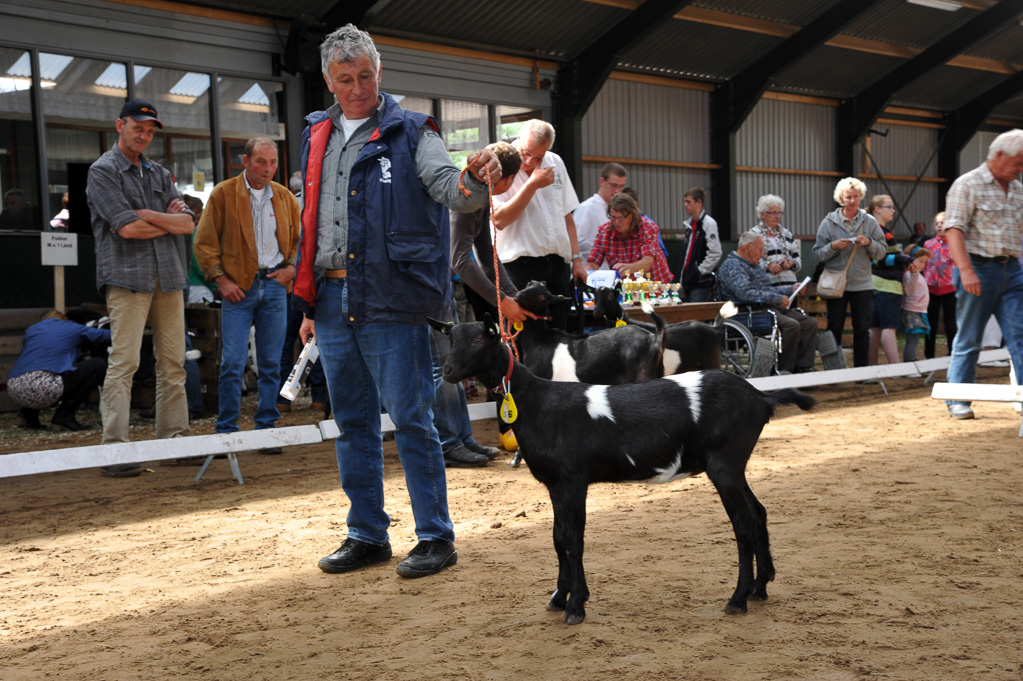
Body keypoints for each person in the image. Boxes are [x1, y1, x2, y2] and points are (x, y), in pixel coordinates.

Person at [291, 24, 501, 578]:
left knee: (412, 419)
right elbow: (313, 225)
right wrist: (310, 306)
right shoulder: (316, 136)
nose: (357, 87)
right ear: (329, 82)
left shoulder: (414, 131)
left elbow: (448, 185)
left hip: (393, 298)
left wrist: (476, 178)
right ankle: (367, 534)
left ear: (379, 73)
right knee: (353, 422)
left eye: (365, 76)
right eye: (345, 79)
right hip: (333, 298)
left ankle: (435, 536)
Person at [87, 98, 194, 477]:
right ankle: (114, 450)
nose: (145, 135)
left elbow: (188, 225)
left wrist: (148, 215)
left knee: (173, 363)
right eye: (139, 128)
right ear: (120, 126)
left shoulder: (160, 173)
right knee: (126, 362)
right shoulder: (103, 171)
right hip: (127, 277)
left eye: (150, 130)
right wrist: (163, 219)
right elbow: (127, 228)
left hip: (169, 276)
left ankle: (176, 442)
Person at [193, 136, 300, 451]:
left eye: (272, 163)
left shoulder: (284, 198)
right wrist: (221, 281)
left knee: (270, 362)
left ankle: (266, 429)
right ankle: (226, 430)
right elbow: (205, 242)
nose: (267, 169)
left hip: (275, 283)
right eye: (260, 162)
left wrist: (291, 268)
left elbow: (299, 241)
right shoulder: (224, 194)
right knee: (233, 361)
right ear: (245, 161)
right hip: (238, 286)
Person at [942, 129, 1023, 420]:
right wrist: (966, 271)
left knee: (1020, 335)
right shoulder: (968, 184)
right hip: (978, 267)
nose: (1021, 168)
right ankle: (958, 398)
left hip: (1012, 269)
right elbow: (953, 228)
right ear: (999, 155)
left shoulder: (1017, 189)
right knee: (970, 337)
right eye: (1018, 161)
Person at [491, 119, 584, 331]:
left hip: (557, 264)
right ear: (518, 139)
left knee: (561, 334)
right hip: (520, 266)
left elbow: (567, 214)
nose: (529, 161)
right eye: (525, 152)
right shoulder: (501, 163)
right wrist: (532, 184)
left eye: (538, 156)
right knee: (525, 337)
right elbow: (499, 220)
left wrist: (577, 259)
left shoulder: (555, 162)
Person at [719, 232, 818, 374]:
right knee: (791, 325)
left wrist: (791, 289)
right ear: (747, 248)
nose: (762, 255)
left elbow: (768, 289)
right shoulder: (733, 266)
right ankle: (785, 369)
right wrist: (778, 299)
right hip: (748, 311)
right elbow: (746, 294)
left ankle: (802, 366)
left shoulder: (753, 266)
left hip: (766, 308)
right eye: (760, 250)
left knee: (809, 323)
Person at [813, 178, 887, 368]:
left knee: (862, 329)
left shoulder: (869, 221)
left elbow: (882, 251)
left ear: (860, 197)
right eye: (848, 197)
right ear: (841, 198)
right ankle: (834, 370)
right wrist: (833, 246)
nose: (852, 201)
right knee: (834, 327)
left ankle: (861, 371)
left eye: (855, 197)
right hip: (836, 284)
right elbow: (817, 253)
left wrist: (869, 243)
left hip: (862, 283)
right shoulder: (829, 222)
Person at [8, 310, 110, 431]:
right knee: (98, 365)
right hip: (43, 389)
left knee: (39, 373)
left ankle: (26, 415)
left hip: (14, 389)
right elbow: (106, 335)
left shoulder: (32, 330)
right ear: (64, 318)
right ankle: (64, 416)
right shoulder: (72, 327)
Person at [867, 194, 912, 366]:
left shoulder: (873, 230)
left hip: (874, 284)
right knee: (888, 328)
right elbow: (879, 259)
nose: (893, 210)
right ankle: (896, 368)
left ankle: (871, 368)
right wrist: (905, 260)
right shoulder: (881, 232)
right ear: (877, 209)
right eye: (889, 207)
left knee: (874, 328)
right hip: (887, 286)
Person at [585, 193, 672, 282]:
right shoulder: (604, 232)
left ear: (633, 215)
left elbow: (647, 262)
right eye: (613, 217)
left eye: (621, 218)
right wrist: (587, 275)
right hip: (625, 287)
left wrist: (628, 267)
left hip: (655, 284)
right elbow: (593, 262)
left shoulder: (647, 227)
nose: (617, 222)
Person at [573, 162, 626, 265]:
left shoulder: (616, 210)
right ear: (602, 181)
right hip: (590, 274)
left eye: (621, 186)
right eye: (613, 185)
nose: (617, 191)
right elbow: (576, 242)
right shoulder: (587, 208)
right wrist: (607, 247)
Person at [750, 194, 801, 295]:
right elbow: (749, 263)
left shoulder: (787, 234)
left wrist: (791, 263)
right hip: (766, 289)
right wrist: (768, 265)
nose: (777, 216)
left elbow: (798, 261)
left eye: (779, 213)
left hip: (789, 288)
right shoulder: (753, 234)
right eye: (773, 213)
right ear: (763, 214)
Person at [677, 186, 721, 302]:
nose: (685, 205)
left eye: (688, 202)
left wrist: (699, 271)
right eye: (685, 202)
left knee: (696, 316)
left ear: (699, 202)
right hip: (687, 281)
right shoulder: (689, 225)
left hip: (700, 283)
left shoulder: (708, 224)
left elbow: (715, 252)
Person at [923, 212, 956, 359]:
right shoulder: (928, 244)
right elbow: (924, 264)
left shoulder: (955, 243)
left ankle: (953, 353)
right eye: (937, 223)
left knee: (951, 324)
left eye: (942, 223)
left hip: (950, 288)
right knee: (931, 324)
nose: (939, 226)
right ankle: (929, 355)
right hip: (931, 288)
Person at [901, 246, 931, 363]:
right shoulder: (910, 275)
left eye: (924, 262)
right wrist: (914, 273)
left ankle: (910, 361)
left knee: (913, 339)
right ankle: (910, 362)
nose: (922, 264)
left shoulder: (917, 274)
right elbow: (910, 289)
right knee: (912, 340)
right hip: (913, 311)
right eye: (920, 261)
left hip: (918, 311)